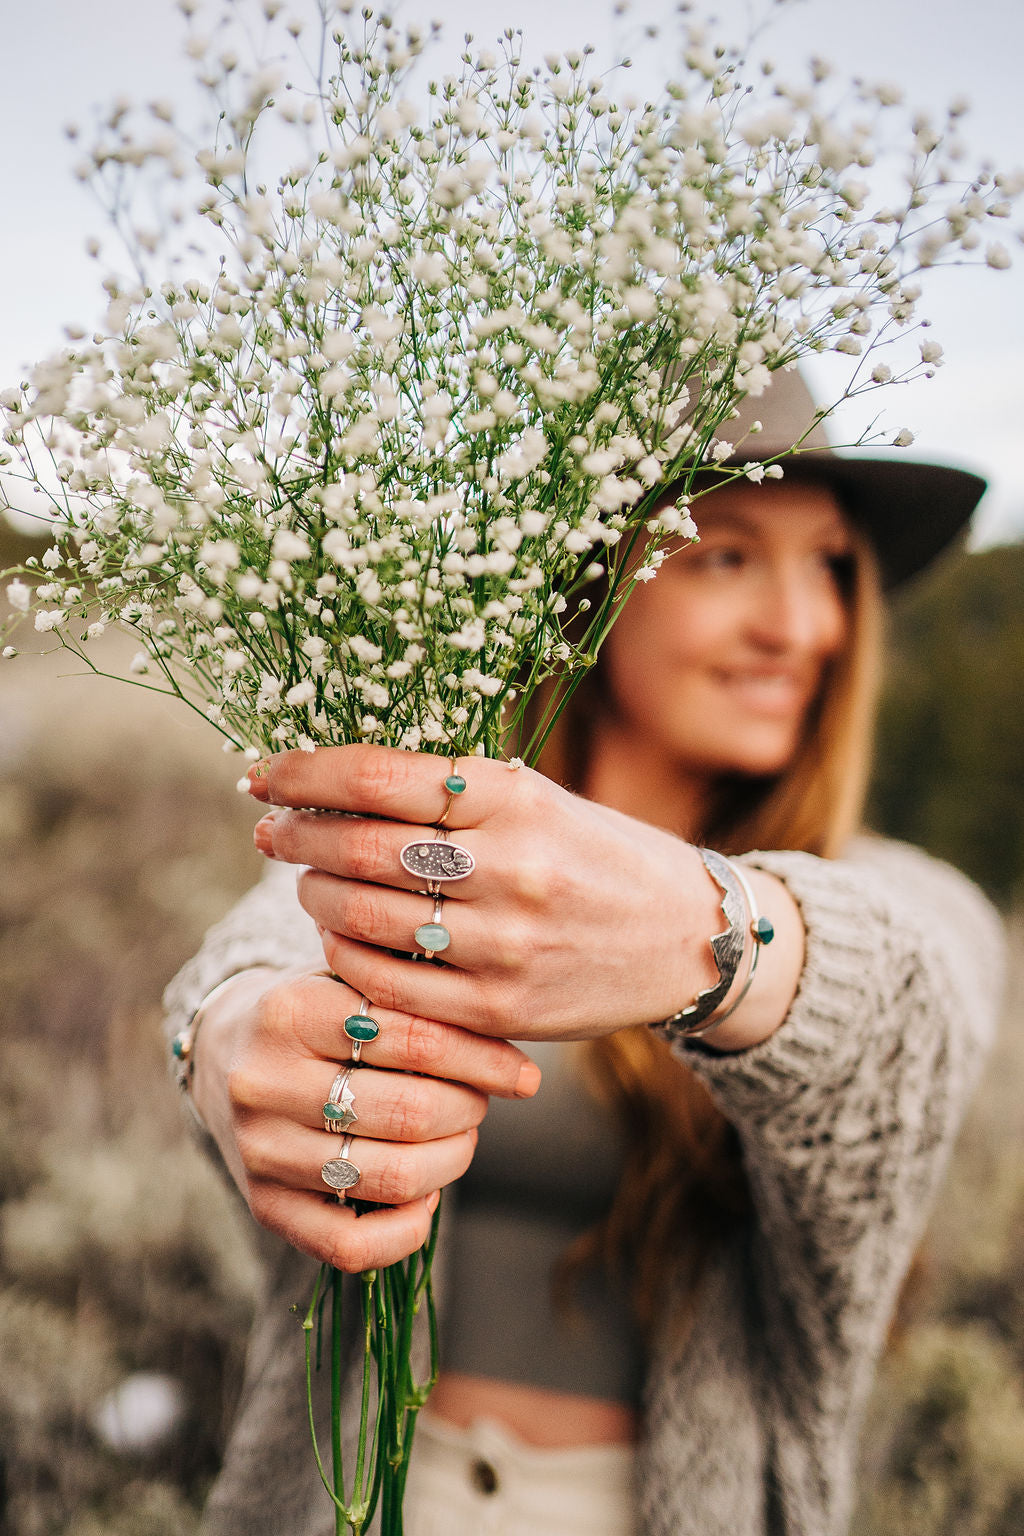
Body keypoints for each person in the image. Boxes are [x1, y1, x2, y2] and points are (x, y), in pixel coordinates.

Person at [164, 370, 1005, 1536]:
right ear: (594, 581)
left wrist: (715, 936)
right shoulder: (444, 845)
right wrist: (222, 1028)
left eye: (828, 564)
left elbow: (918, 989)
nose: (803, 626)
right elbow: (268, 937)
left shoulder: (884, 894)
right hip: (349, 1500)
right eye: (728, 555)